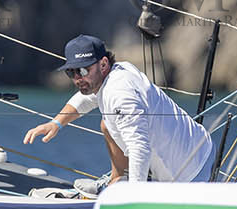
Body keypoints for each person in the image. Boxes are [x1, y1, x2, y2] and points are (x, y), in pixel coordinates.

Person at [24, 34, 214, 194]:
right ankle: (119, 180)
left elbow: (139, 148)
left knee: (113, 124)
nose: (78, 79)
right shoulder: (116, 73)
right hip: (199, 147)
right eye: (71, 73)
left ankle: (125, 184)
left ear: (104, 64)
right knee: (107, 123)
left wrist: (132, 201)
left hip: (188, 174)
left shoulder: (120, 94)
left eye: (83, 70)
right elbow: (89, 97)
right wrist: (56, 123)